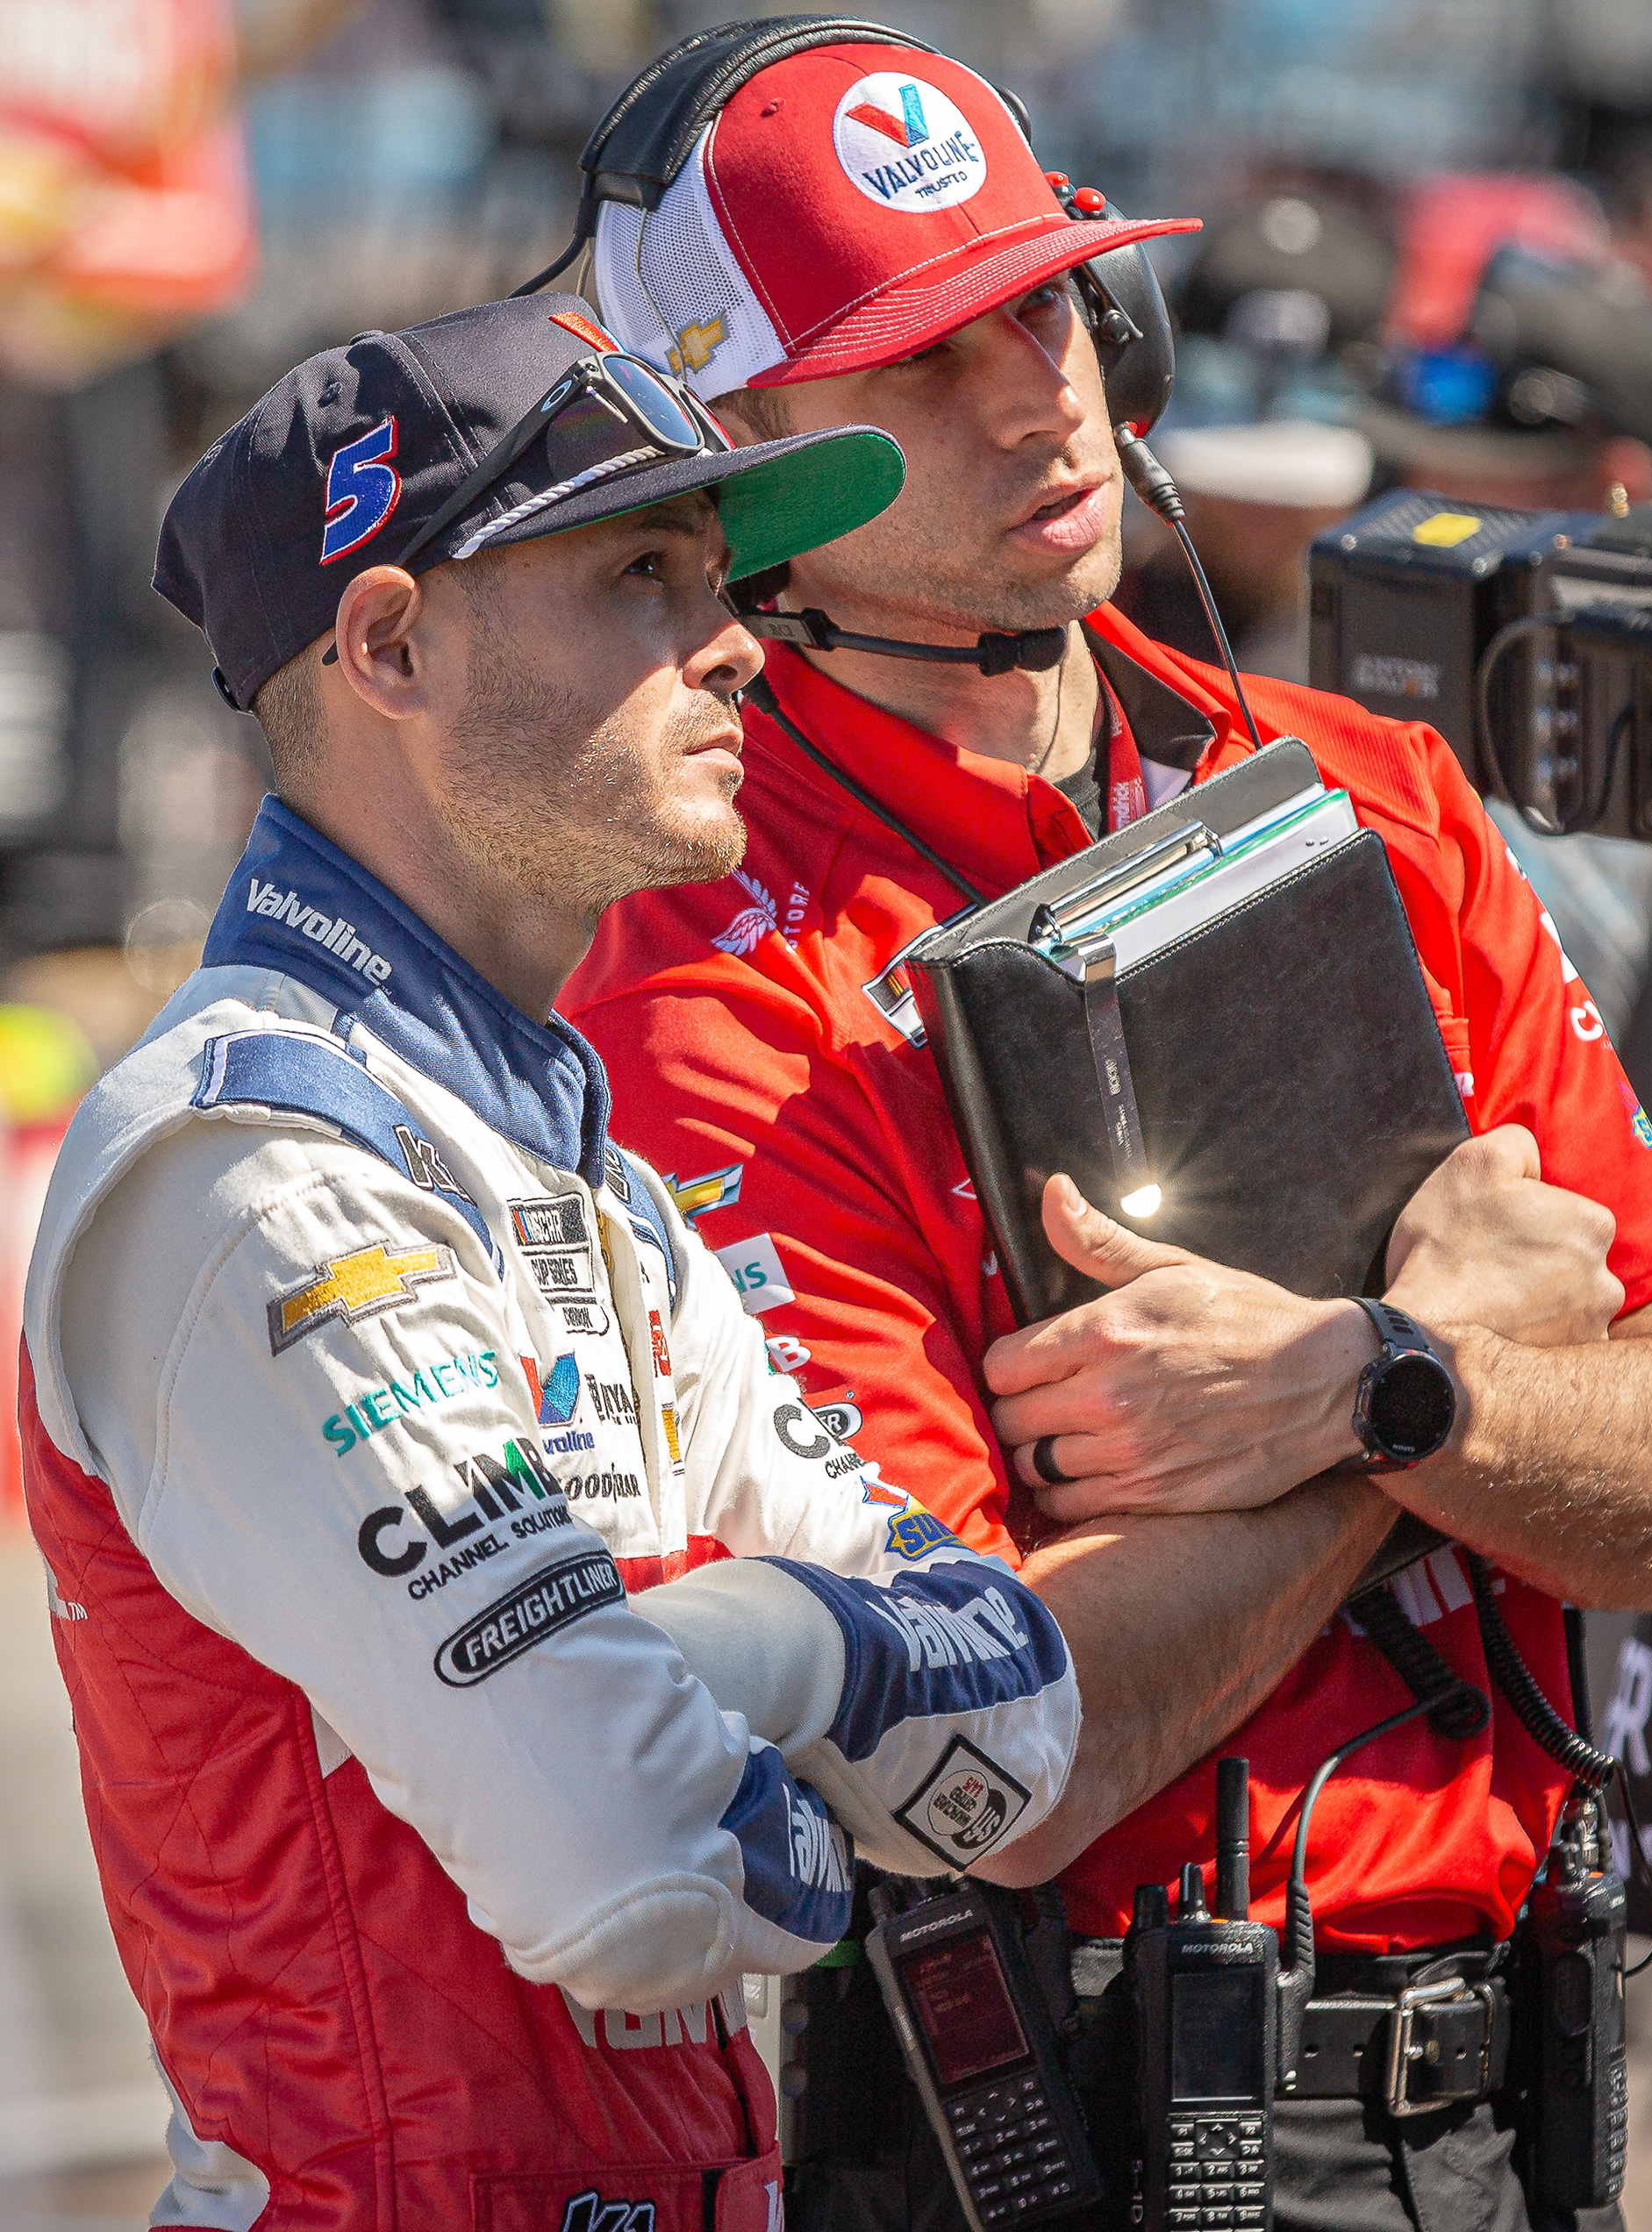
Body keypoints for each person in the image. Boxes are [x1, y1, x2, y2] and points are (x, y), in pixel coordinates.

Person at [561, 29, 1652, 2232]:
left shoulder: (1380, 793)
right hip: (1074, 2130)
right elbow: (994, 1766)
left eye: (1048, 308)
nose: (1033, 403)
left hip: (1525, 2095)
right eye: (916, 366)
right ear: (733, 470)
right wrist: (1419, 1386)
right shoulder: (705, 1004)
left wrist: (1346, 1393)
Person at [16, 295, 1085, 2229]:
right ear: (393, 645)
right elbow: (631, 1875)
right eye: (647, 573)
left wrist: (735, 1650)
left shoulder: (596, 1185)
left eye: (724, 577)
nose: (742, 641)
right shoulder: (248, 1165)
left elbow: (1022, 1724)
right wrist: (818, 1696)